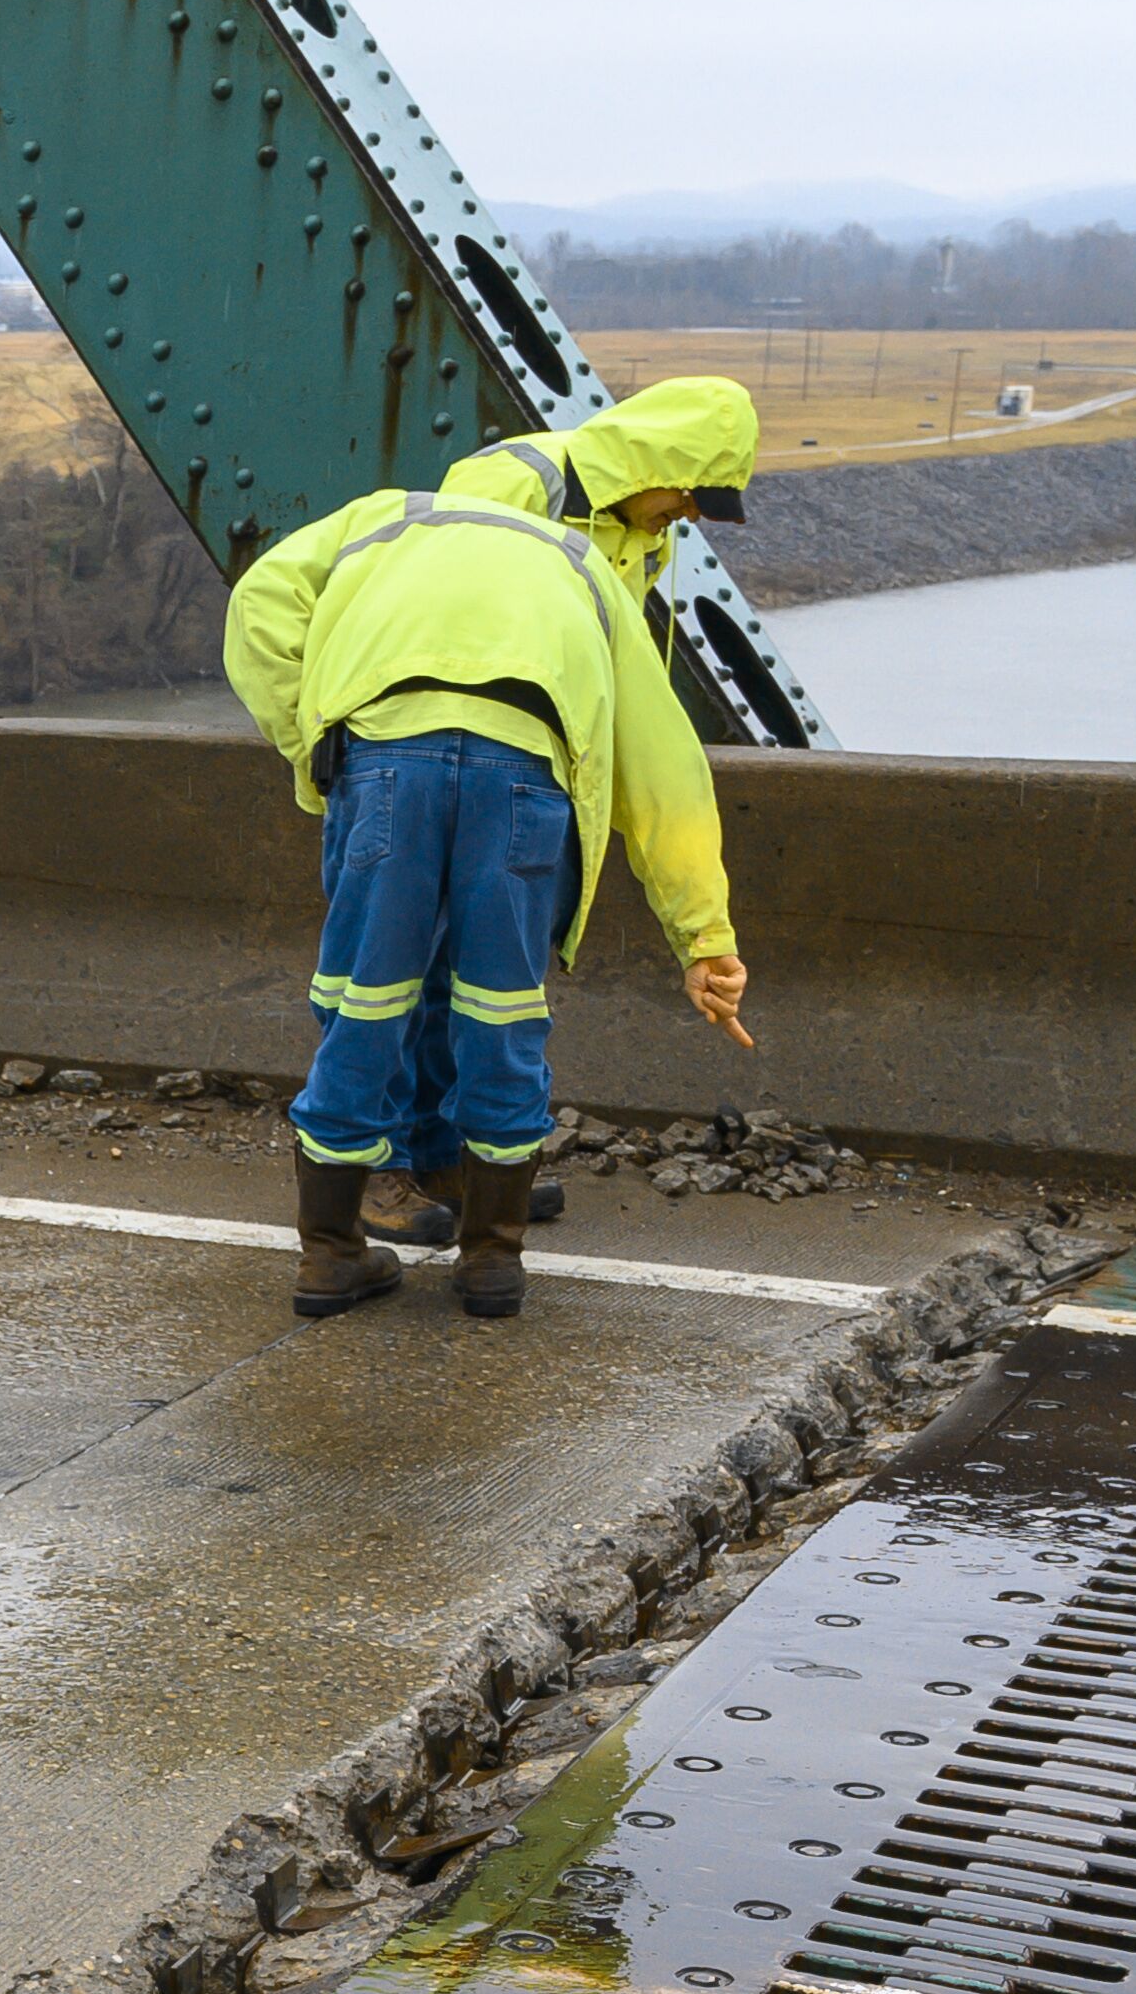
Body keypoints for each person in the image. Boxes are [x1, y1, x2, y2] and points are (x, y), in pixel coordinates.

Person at [225, 377, 764, 1320]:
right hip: (524, 775)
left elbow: (261, 604)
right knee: (502, 1011)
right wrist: (703, 937)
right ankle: (490, 1263)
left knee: (362, 1004)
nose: (687, 516)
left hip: (389, 764)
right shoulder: (584, 565)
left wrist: (318, 740)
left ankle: (330, 1254)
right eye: (689, 494)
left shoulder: (384, 520)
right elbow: (663, 767)